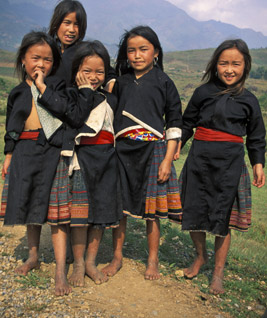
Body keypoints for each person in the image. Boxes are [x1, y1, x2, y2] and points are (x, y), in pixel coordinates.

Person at [179, 39, 265, 294]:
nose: (229, 69)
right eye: (224, 63)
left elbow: (257, 137)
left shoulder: (249, 100)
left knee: (222, 218)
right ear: (215, 65)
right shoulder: (202, 93)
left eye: (235, 64)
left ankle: (218, 273)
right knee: (194, 212)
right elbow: (187, 124)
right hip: (199, 160)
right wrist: (175, 146)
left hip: (231, 164)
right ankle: (200, 256)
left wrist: (258, 164)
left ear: (245, 66)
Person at [39, 40, 122, 290]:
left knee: (100, 215)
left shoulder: (110, 98)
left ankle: (90, 262)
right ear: (77, 70)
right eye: (87, 71)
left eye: (99, 72)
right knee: (80, 215)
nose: (93, 77)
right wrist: (85, 91)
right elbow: (76, 117)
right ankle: (76, 264)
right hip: (81, 159)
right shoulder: (71, 95)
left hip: (106, 160)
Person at [102, 25, 183, 280]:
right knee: (120, 208)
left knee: (153, 213)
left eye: (143, 50)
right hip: (122, 151)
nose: (137, 55)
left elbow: (174, 123)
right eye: (131, 51)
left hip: (153, 151)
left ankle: (152, 260)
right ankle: (117, 257)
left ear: (156, 52)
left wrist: (167, 160)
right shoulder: (121, 82)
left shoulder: (165, 82)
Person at [0, 31, 64, 281]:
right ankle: (34, 256)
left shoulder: (56, 87)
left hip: (52, 149)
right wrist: (8, 156)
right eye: (35, 57)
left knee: (58, 208)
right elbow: (12, 127)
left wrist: (42, 87)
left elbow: (62, 110)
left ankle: (60, 268)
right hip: (25, 151)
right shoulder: (17, 92)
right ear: (23, 60)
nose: (41, 64)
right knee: (29, 203)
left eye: (48, 59)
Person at [48, 0, 116, 91]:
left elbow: (108, 73)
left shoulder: (85, 51)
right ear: (56, 23)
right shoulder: (49, 50)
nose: (71, 30)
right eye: (67, 23)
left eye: (77, 24)